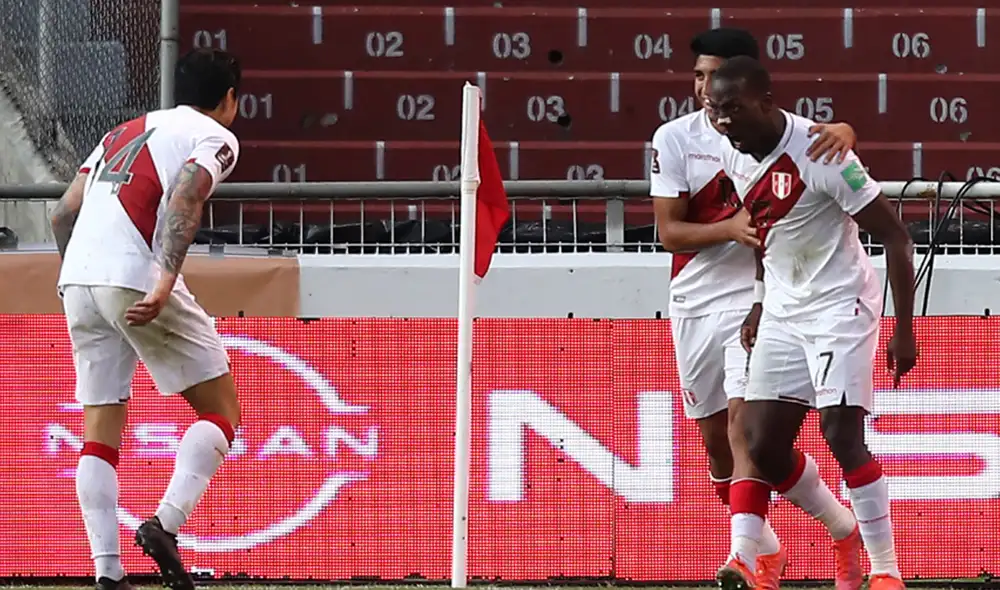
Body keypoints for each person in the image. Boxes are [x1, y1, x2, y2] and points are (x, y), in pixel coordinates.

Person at [650, 28, 865, 590]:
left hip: (760, 296)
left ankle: (743, 557)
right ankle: (820, 531)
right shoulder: (675, 139)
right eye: (698, 76)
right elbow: (669, 233)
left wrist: (847, 130)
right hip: (695, 297)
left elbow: (826, 145)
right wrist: (731, 229)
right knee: (718, 446)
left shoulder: (765, 125)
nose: (704, 89)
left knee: (749, 430)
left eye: (714, 76)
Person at [705, 55, 917, 590]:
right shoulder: (734, 151)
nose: (723, 121)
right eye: (714, 109)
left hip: (840, 306)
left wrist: (904, 328)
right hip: (781, 306)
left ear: (765, 101)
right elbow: (765, 228)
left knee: (841, 434)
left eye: (732, 109)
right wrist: (758, 300)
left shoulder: (824, 154)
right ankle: (840, 528)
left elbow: (896, 236)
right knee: (760, 445)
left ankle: (886, 569)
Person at [49, 48, 244, 590]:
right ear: (229, 100)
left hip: (78, 279)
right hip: (134, 275)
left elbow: (62, 211)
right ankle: (164, 525)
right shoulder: (215, 136)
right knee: (221, 408)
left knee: (99, 430)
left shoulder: (125, 129)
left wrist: (76, 279)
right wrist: (161, 282)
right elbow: (187, 193)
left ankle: (108, 573)